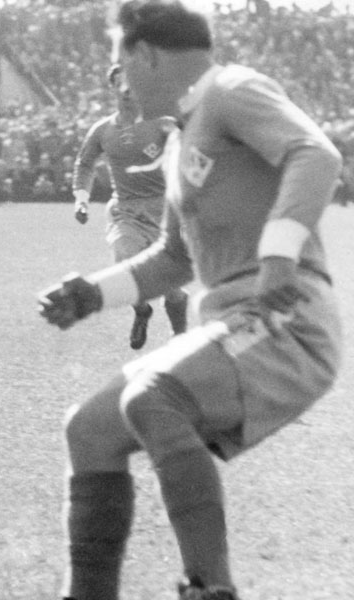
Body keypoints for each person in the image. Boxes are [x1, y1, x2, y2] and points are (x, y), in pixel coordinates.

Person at [38, 2, 342, 599]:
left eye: (119, 64)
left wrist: (280, 252)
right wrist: (91, 294)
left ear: (145, 54)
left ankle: (210, 586)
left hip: (287, 316)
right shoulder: (180, 141)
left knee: (154, 398)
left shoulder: (231, 90)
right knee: (90, 430)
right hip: (234, 323)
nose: (120, 82)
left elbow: (316, 154)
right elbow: (175, 260)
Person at [73, 63, 188, 350]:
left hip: (166, 212)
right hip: (126, 211)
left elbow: (193, 145)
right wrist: (81, 199)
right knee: (126, 263)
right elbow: (84, 164)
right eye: (120, 84)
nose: (127, 89)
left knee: (172, 290)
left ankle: (180, 338)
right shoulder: (102, 130)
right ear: (113, 88)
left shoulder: (163, 124)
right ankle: (141, 311)